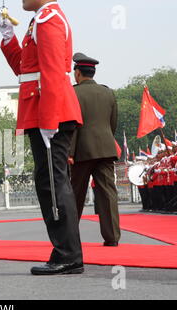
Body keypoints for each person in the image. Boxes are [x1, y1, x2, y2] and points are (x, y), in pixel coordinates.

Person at [0, 0, 84, 275]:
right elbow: (25, 69)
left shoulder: (49, 19)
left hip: (50, 111)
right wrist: (9, 38)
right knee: (49, 180)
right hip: (42, 108)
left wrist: (49, 119)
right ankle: (65, 252)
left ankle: (68, 254)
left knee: (54, 182)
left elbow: (54, 71)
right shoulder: (39, 20)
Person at [68, 52, 121, 247]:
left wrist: (70, 152)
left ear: (78, 73)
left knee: (75, 194)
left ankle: (70, 236)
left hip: (82, 151)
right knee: (108, 193)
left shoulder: (73, 93)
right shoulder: (108, 92)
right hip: (106, 149)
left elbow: (72, 125)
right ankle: (112, 237)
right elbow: (112, 123)